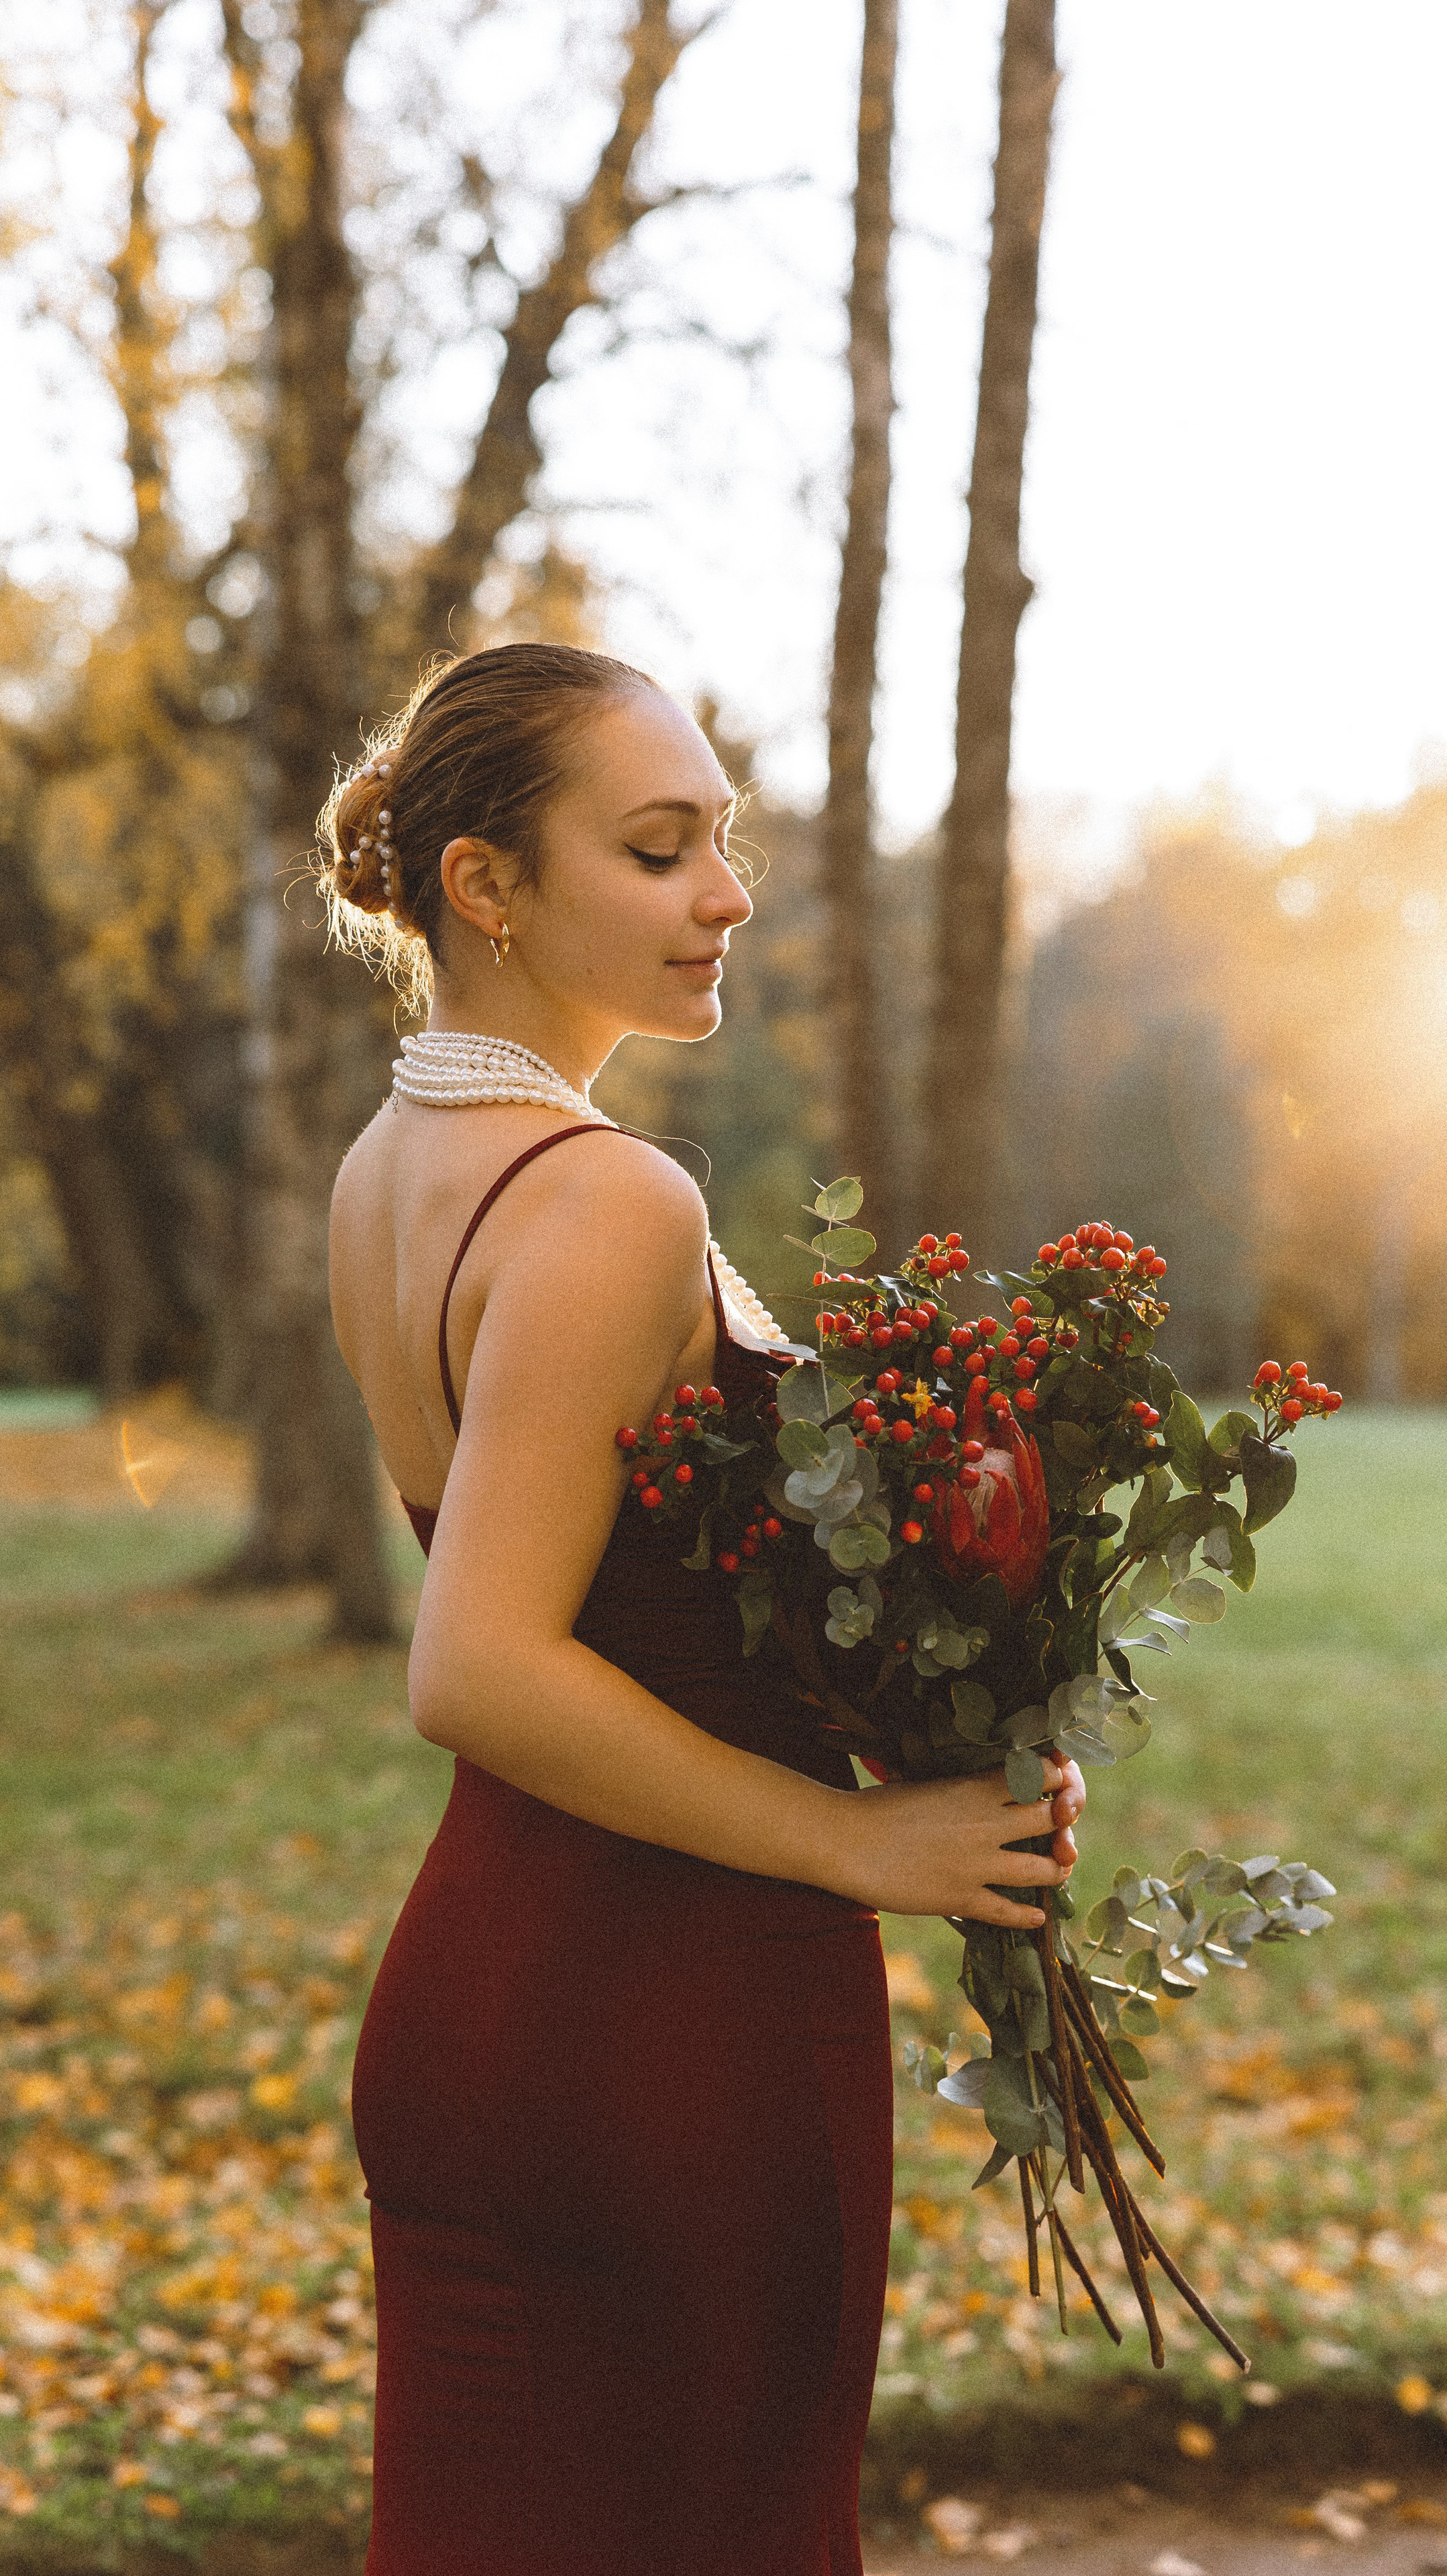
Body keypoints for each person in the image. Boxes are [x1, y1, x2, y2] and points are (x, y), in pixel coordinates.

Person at [326, 643, 1085, 2576]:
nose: (727, 896)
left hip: (479, 2016)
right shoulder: (606, 1202)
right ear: (486, 885)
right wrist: (861, 1838)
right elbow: (481, 1664)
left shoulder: (384, 1172)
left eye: (722, 844)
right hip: (678, 2034)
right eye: (661, 851)